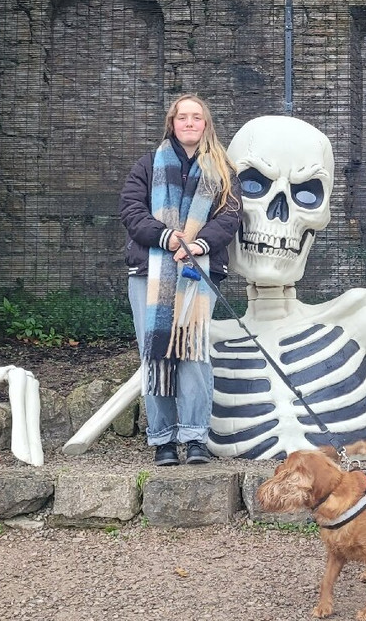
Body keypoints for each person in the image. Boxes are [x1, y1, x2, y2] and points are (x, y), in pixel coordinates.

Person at [120, 94, 241, 466]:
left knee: (193, 354)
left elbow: (231, 215)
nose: (189, 123)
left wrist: (198, 244)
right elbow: (131, 209)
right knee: (156, 352)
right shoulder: (147, 165)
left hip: (197, 272)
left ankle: (194, 438)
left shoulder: (223, 171)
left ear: (206, 124)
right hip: (150, 274)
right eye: (183, 117)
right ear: (172, 123)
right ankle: (163, 440)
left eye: (197, 118)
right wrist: (167, 237)